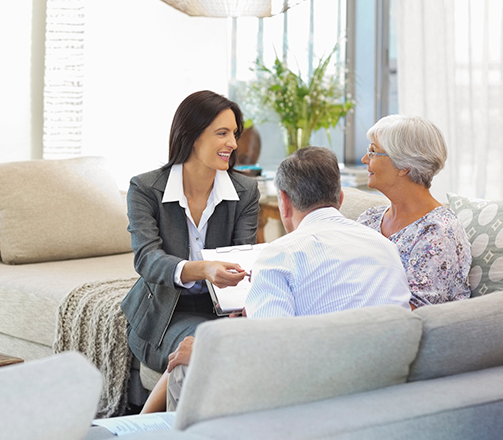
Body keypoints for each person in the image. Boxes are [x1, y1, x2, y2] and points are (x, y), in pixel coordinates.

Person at [162, 146, 412, 411]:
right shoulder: (385, 246)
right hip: (388, 391)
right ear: (339, 198)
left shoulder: (279, 255)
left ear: (284, 201)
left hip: (317, 398)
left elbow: (273, 358)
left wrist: (207, 351)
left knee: (186, 364)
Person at [120, 90, 260, 413]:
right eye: (222, 133)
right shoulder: (145, 189)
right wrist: (203, 269)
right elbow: (147, 259)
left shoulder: (245, 191)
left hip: (223, 312)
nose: (233, 143)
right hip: (164, 315)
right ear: (192, 136)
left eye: (234, 133)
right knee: (205, 345)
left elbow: (242, 258)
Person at [357, 114, 471, 308]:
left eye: (373, 151)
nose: (364, 159)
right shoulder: (369, 219)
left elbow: (413, 312)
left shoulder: (439, 231)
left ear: (404, 166)